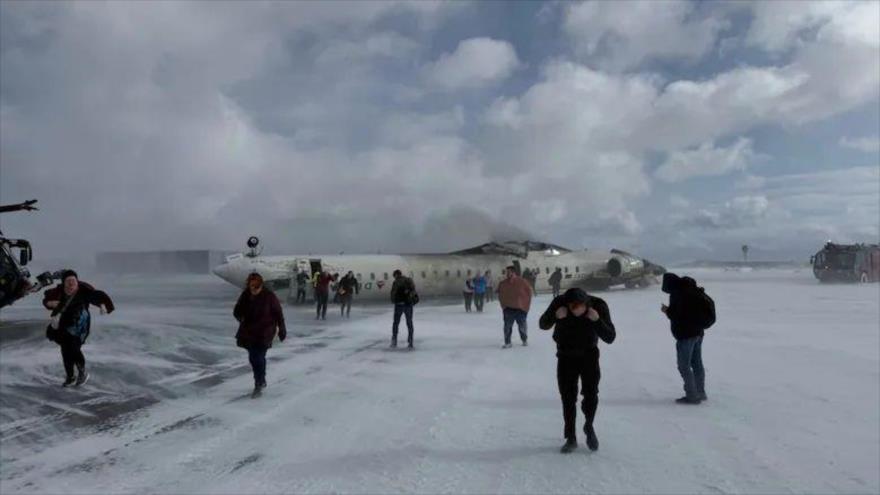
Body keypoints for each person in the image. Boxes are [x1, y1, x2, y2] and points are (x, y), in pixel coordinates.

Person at [539, 288, 615, 453]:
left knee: (591, 394)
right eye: (572, 308)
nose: (575, 312)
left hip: (589, 356)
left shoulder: (598, 305)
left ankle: (589, 426)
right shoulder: (560, 303)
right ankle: (571, 437)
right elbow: (542, 324)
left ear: (585, 304)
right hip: (565, 356)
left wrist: (597, 320)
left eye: (578, 308)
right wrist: (555, 316)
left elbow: (610, 337)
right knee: (567, 397)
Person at [42, 270, 115, 387]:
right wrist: (50, 303)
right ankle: (70, 376)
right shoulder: (58, 291)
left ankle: (82, 372)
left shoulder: (83, 291)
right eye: (68, 282)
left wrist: (102, 306)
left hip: (79, 324)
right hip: (63, 325)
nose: (71, 284)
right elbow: (46, 300)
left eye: (73, 281)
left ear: (77, 281)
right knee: (65, 351)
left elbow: (97, 297)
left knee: (73, 348)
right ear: (64, 283)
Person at [234, 273, 286, 398]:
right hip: (249, 331)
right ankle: (260, 379)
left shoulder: (269, 296)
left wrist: (282, 329)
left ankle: (259, 382)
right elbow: (237, 310)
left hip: (265, 331)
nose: (253, 290)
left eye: (256, 287)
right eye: (251, 287)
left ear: (260, 285)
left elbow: (278, 313)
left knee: (259, 356)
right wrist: (240, 317)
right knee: (253, 358)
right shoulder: (246, 295)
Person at [661, 273, 710, 405]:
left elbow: (677, 315)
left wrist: (667, 310)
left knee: (684, 366)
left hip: (686, 335)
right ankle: (700, 392)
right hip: (698, 333)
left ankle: (692, 395)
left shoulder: (678, 294)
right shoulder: (691, 290)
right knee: (697, 363)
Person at [496, 266, 532, 348]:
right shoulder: (503, 283)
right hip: (508, 308)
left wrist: (526, 306)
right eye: (506, 272)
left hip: (520, 308)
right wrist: (503, 305)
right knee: (507, 326)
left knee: (522, 326)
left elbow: (529, 293)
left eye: (509, 272)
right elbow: (499, 292)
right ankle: (508, 342)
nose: (507, 273)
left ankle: (524, 339)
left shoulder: (522, 282)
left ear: (513, 272)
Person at [390, 269, 417, 349]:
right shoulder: (409, 280)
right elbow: (414, 291)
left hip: (399, 305)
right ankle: (410, 340)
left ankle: (394, 340)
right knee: (409, 323)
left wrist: (394, 301)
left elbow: (393, 293)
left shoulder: (396, 282)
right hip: (408, 305)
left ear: (396, 275)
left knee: (396, 323)